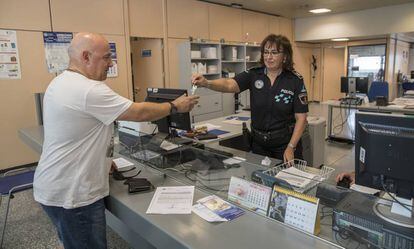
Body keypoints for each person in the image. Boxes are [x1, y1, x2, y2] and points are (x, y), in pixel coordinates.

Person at [33, 32, 199, 249]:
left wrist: (102, 161)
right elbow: (138, 112)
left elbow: (79, 132)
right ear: (85, 56)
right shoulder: (88, 89)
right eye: (106, 57)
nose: (111, 64)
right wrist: (174, 106)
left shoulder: (61, 81)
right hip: (74, 195)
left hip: (56, 185)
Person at [191, 34, 308, 162]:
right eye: (266, 52)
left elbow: (301, 118)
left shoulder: (294, 80)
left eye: (274, 53)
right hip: (259, 144)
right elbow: (229, 84)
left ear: (285, 56)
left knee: (286, 181)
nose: (269, 57)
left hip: (285, 144)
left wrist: (291, 147)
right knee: (257, 180)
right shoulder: (254, 74)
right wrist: (207, 83)